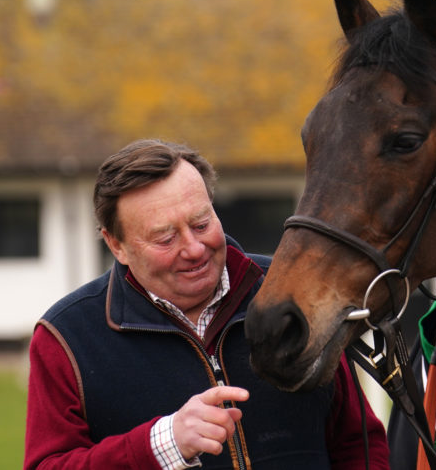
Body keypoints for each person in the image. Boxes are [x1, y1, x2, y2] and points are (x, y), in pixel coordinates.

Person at [24, 139, 390, 470]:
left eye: (202, 223)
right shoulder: (66, 338)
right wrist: (161, 444)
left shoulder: (291, 293)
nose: (195, 249)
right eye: (165, 238)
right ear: (116, 245)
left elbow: (359, 443)